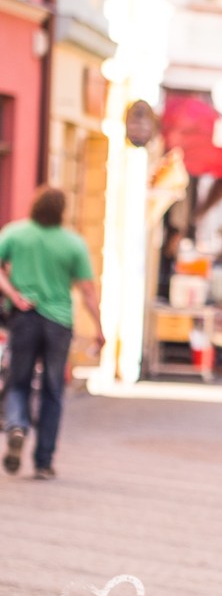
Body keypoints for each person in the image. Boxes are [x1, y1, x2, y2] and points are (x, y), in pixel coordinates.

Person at [0, 187, 104, 480]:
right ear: (62, 211)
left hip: (24, 317)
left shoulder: (15, 233)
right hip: (58, 323)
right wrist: (99, 328)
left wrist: (13, 294)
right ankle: (44, 462)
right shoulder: (72, 243)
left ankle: (17, 426)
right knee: (53, 389)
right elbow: (87, 290)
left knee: (18, 382)